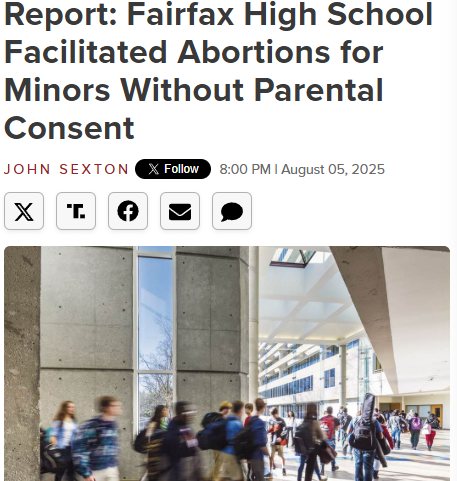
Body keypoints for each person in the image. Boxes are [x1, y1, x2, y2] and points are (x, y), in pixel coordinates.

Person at [73, 396, 122, 481]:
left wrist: (114, 466)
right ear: (105, 408)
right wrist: (86, 473)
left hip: (111, 470)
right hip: (95, 471)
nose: (118, 408)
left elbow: (114, 448)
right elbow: (79, 450)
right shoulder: (91, 426)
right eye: (114, 406)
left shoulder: (114, 426)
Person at [163, 401, 201, 481]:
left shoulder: (187, 429)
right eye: (187, 412)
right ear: (180, 413)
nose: (190, 415)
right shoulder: (171, 434)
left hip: (190, 475)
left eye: (191, 411)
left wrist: (198, 471)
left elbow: (194, 451)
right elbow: (172, 461)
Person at [347, 413, 384, 481]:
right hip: (369, 447)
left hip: (357, 446)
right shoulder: (374, 421)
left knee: (358, 464)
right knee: (368, 467)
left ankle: (358, 479)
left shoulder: (355, 419)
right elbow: (381, 436)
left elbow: (348, 431)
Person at [295, 402, 326, 481]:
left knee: (302, 465)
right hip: (312, 449)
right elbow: (320, 436)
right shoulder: (314, 421)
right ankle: (318, 477)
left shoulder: (304, 420)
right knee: (309, 471)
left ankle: (299, 479)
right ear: (315, 409)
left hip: (303, 448)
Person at [50, 400, 78, 481]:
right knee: (60, 471)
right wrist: (56, 450)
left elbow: (76, 435)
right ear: (64, 408)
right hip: (61, 449)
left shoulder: (74, 422)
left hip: (71, 449)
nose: (72, 408)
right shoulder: (58, 421)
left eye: (73, 407)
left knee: (71, 471)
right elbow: (53, 437)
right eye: (69, 407)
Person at [219, 400, 244, 481]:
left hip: (225, 452)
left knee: (223, 477)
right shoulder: (237, 423)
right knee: (238, 478)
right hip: (233, 454)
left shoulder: (226, 421)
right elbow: (240, 441)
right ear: (240, 410)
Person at [145, 405, 169, 481]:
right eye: (165, 410)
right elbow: (148, 438)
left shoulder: (164, 422)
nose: (166, 411)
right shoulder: (153, 423)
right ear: (160, 412)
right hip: (154, 454)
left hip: (162, 453)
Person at [248, 398, 270, 481]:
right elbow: (261, 444)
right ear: (263, 407)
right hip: (257, 456)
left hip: (252, 454)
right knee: (260, 478)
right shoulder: (259, 422)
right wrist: (269, 455)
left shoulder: (252, 419)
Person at [213, 401, 233, 481]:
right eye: (227, 408)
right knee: (218, 464)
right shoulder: (219, 418)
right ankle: (215, 479)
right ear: (223, 409)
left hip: (221, 445)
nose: (228, 410)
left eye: (229, 409)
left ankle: (216, 478)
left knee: (219, 464)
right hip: (218, 446)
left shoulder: (223, 418)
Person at [267, 407, 287, 478]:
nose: (272, 416)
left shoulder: (281, 421)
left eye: (272, 414)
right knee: (271, 457)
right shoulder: (270, 420)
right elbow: (269, 429)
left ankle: (283, 468)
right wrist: (268, 432)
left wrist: (281, 437)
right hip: (272, 442)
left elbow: (285, 430)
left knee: (281, 456)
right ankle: (270, 471)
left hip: (280, 442)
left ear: (275, 413)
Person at [319, 407, 340, 475]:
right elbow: (337, 429)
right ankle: (333, 466)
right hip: (331, 439)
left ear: (326, 411)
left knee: (322, 453)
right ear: (332, 411)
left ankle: (322, 469)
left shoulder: (321, 419)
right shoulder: (335, 419)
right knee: (332, 453)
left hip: (322, 439)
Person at [373, 415, 393, 480]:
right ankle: (375, 474)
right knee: (377, 460)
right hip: (380, 447)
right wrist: (391, 446)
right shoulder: (384, 428)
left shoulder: (370, 426)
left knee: (370, 459)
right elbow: (389, 438)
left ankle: (370, 472)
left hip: (370, 446)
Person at [243, 403, 254, 481]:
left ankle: (249, 476)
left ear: (250, 409)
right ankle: (250, 475)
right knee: (249, 460)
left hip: (250, 442)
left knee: (250, 460)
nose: (245, 410)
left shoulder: (250, 419)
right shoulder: (248, 418)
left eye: (246, 408)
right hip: (249, 442)